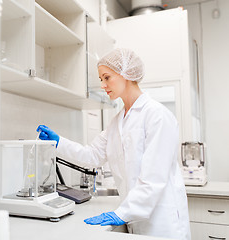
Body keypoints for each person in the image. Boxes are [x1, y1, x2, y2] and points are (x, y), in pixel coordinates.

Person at [36, 48, 191, 240]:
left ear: (126, 74)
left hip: (162, 221)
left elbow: (154, 178)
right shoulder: (117, 122)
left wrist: (121, 213)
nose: (103, 85)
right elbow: (91, 155)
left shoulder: (157, 116)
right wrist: (58, 142)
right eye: (101, 79)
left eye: (107, 77)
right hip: (135, 219)